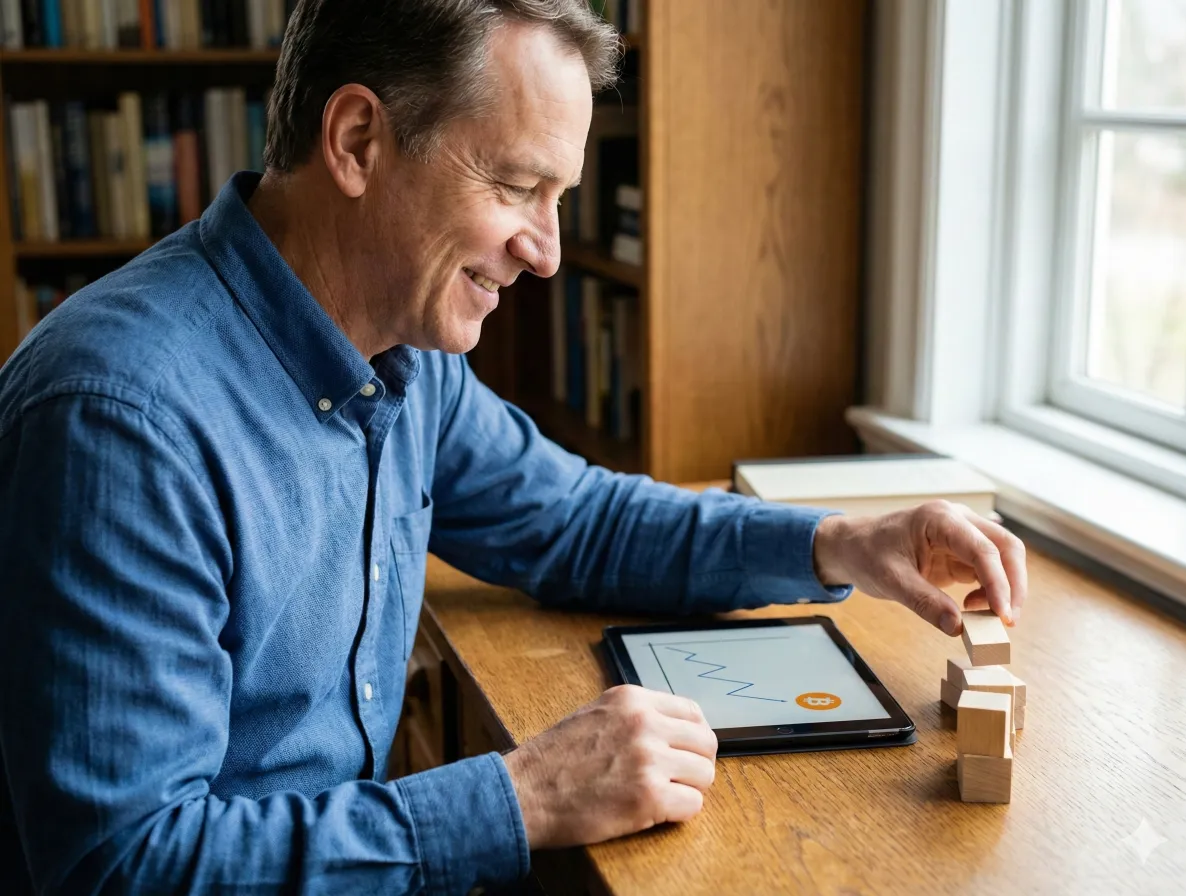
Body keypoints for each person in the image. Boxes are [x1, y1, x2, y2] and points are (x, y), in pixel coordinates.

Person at [0, 1, 1027, 893]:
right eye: (515, 186)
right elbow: (123, 863)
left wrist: (840, 544)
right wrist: (518, 796)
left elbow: (576, 518)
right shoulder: (118, 421)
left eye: (562, 198)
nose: (547, 251)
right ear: (357, 140)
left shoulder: (403, 349)